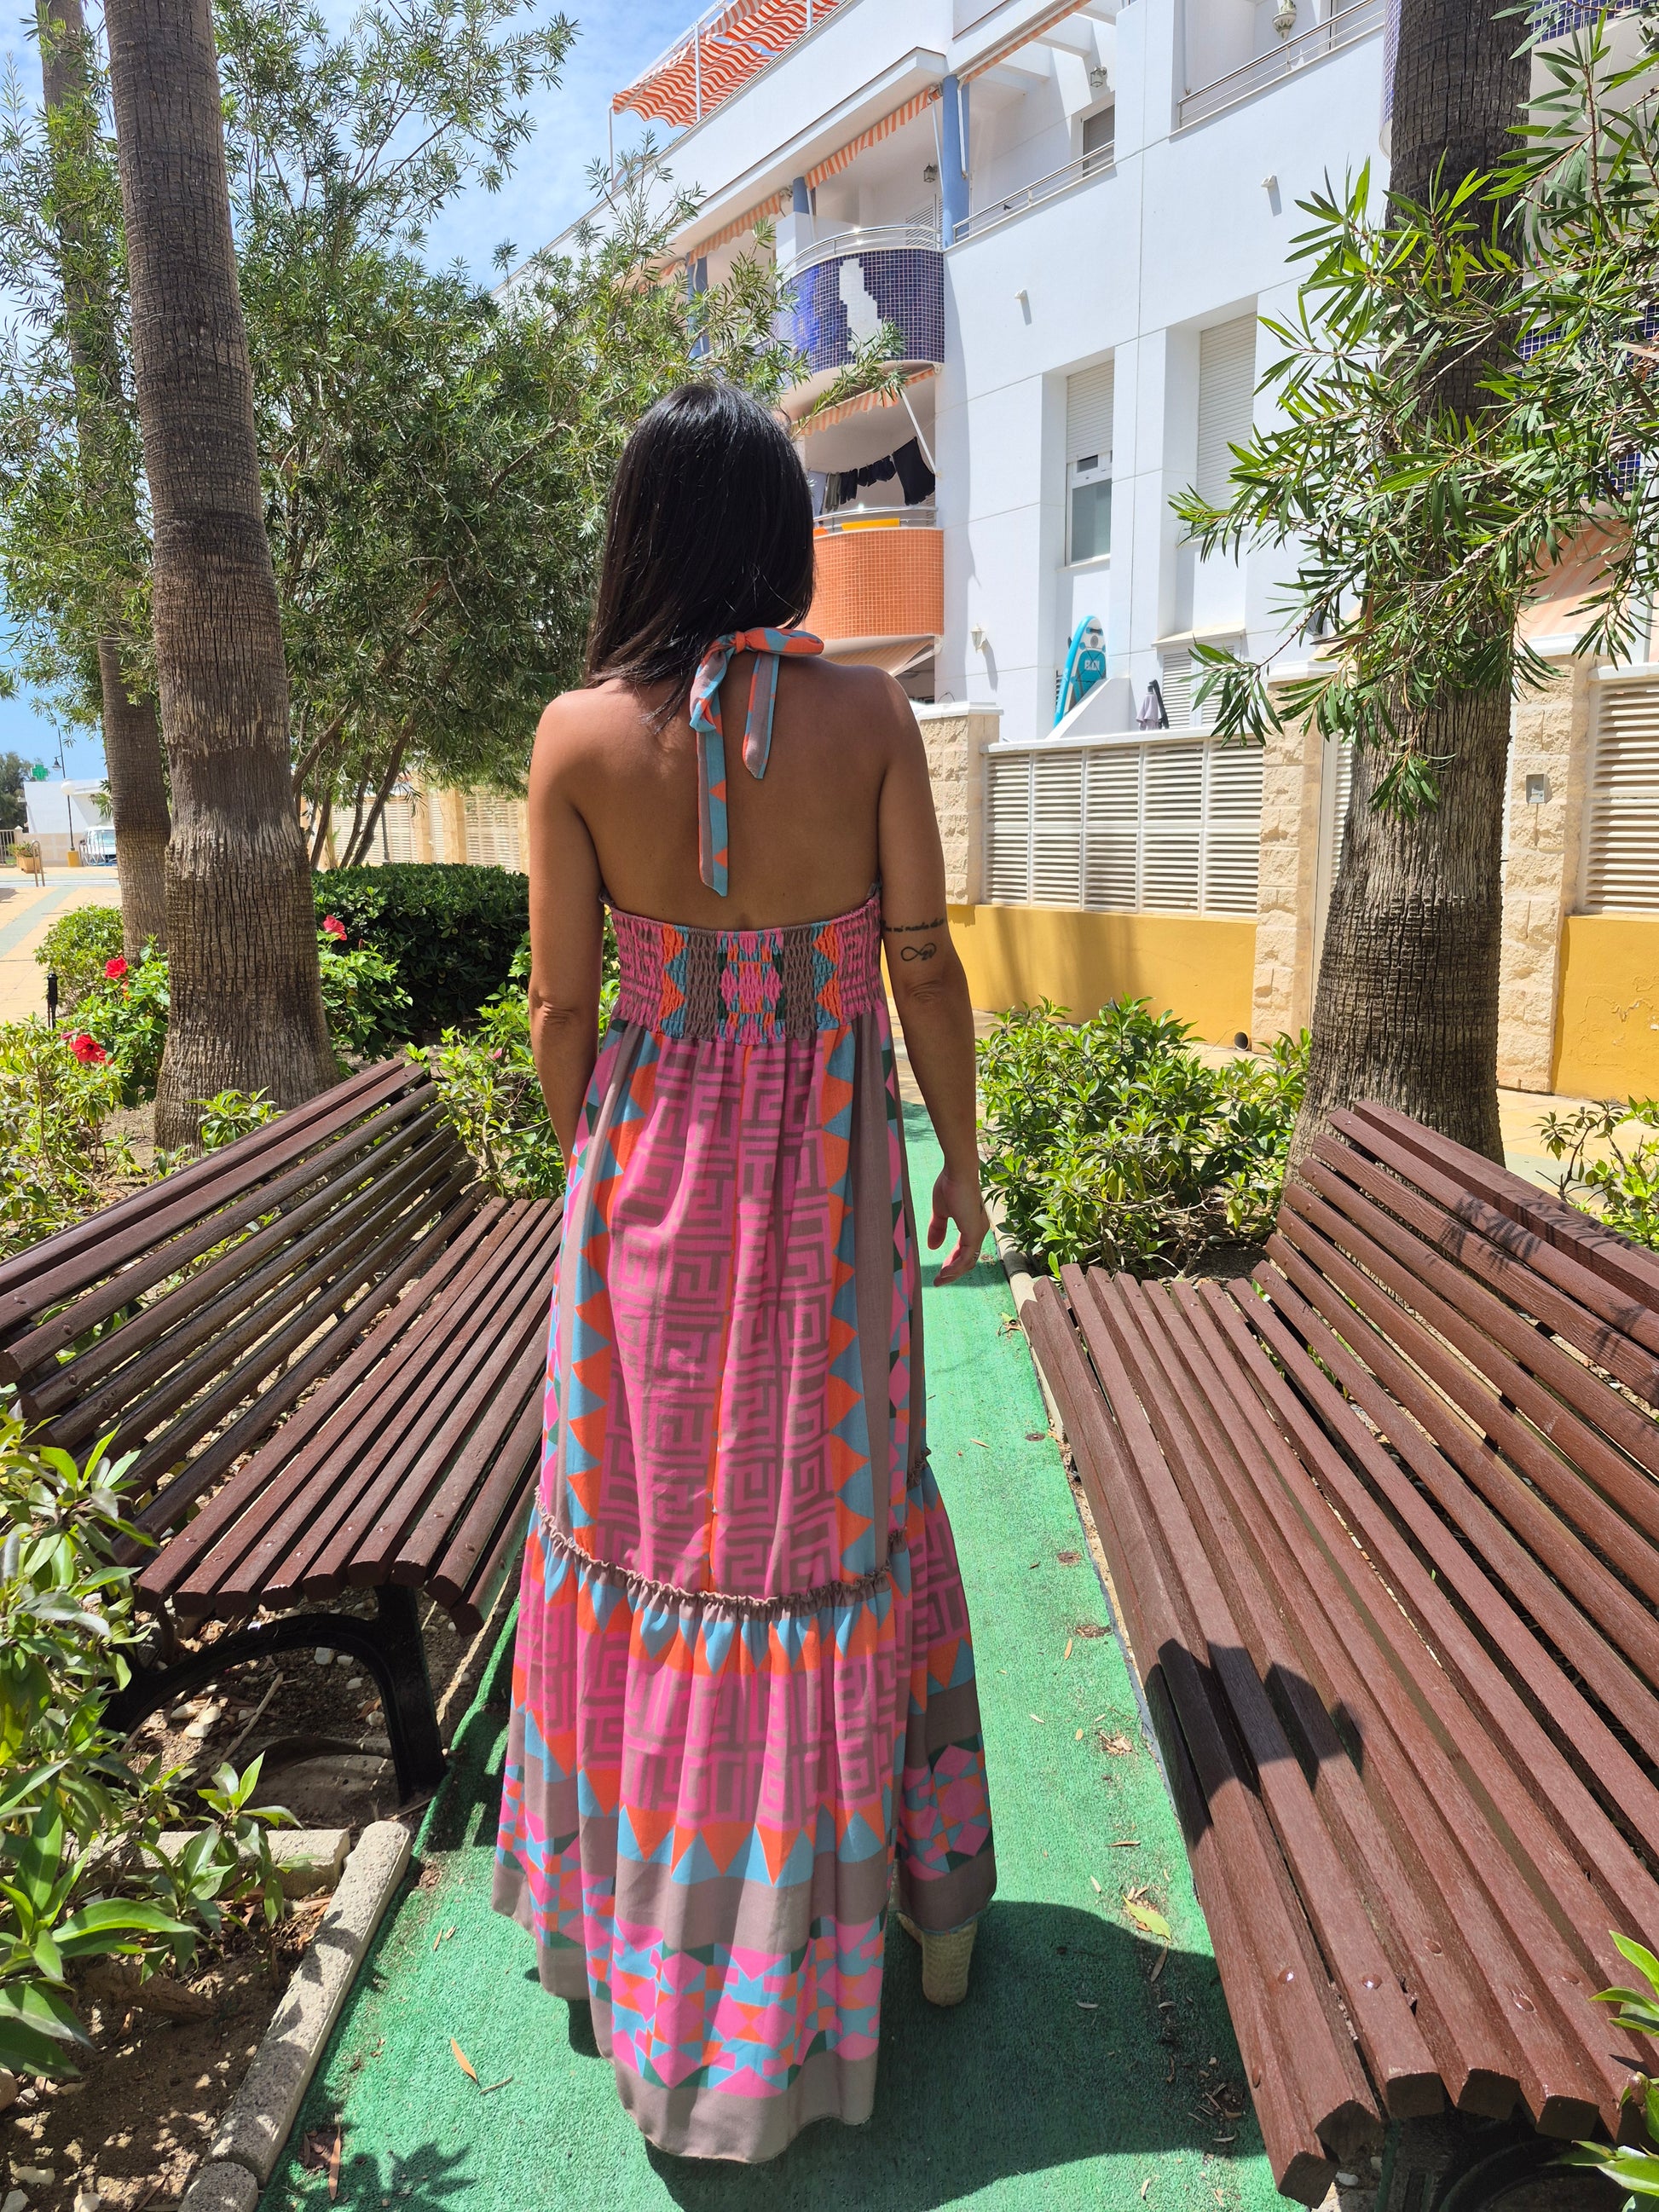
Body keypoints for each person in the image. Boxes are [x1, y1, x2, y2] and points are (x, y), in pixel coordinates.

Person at [493, 380, 997, 2163]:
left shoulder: (574, 737)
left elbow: (562, 1008)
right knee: (831, 1529)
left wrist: (598, 1171)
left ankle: (629, 1945)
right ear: (781, 532)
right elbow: (920, 961)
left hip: (644, 1202)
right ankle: (917, 1918)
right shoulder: (869, 716)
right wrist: (960, 1154)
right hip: (831, 1199)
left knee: (646, 1534)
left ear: (637, 536)